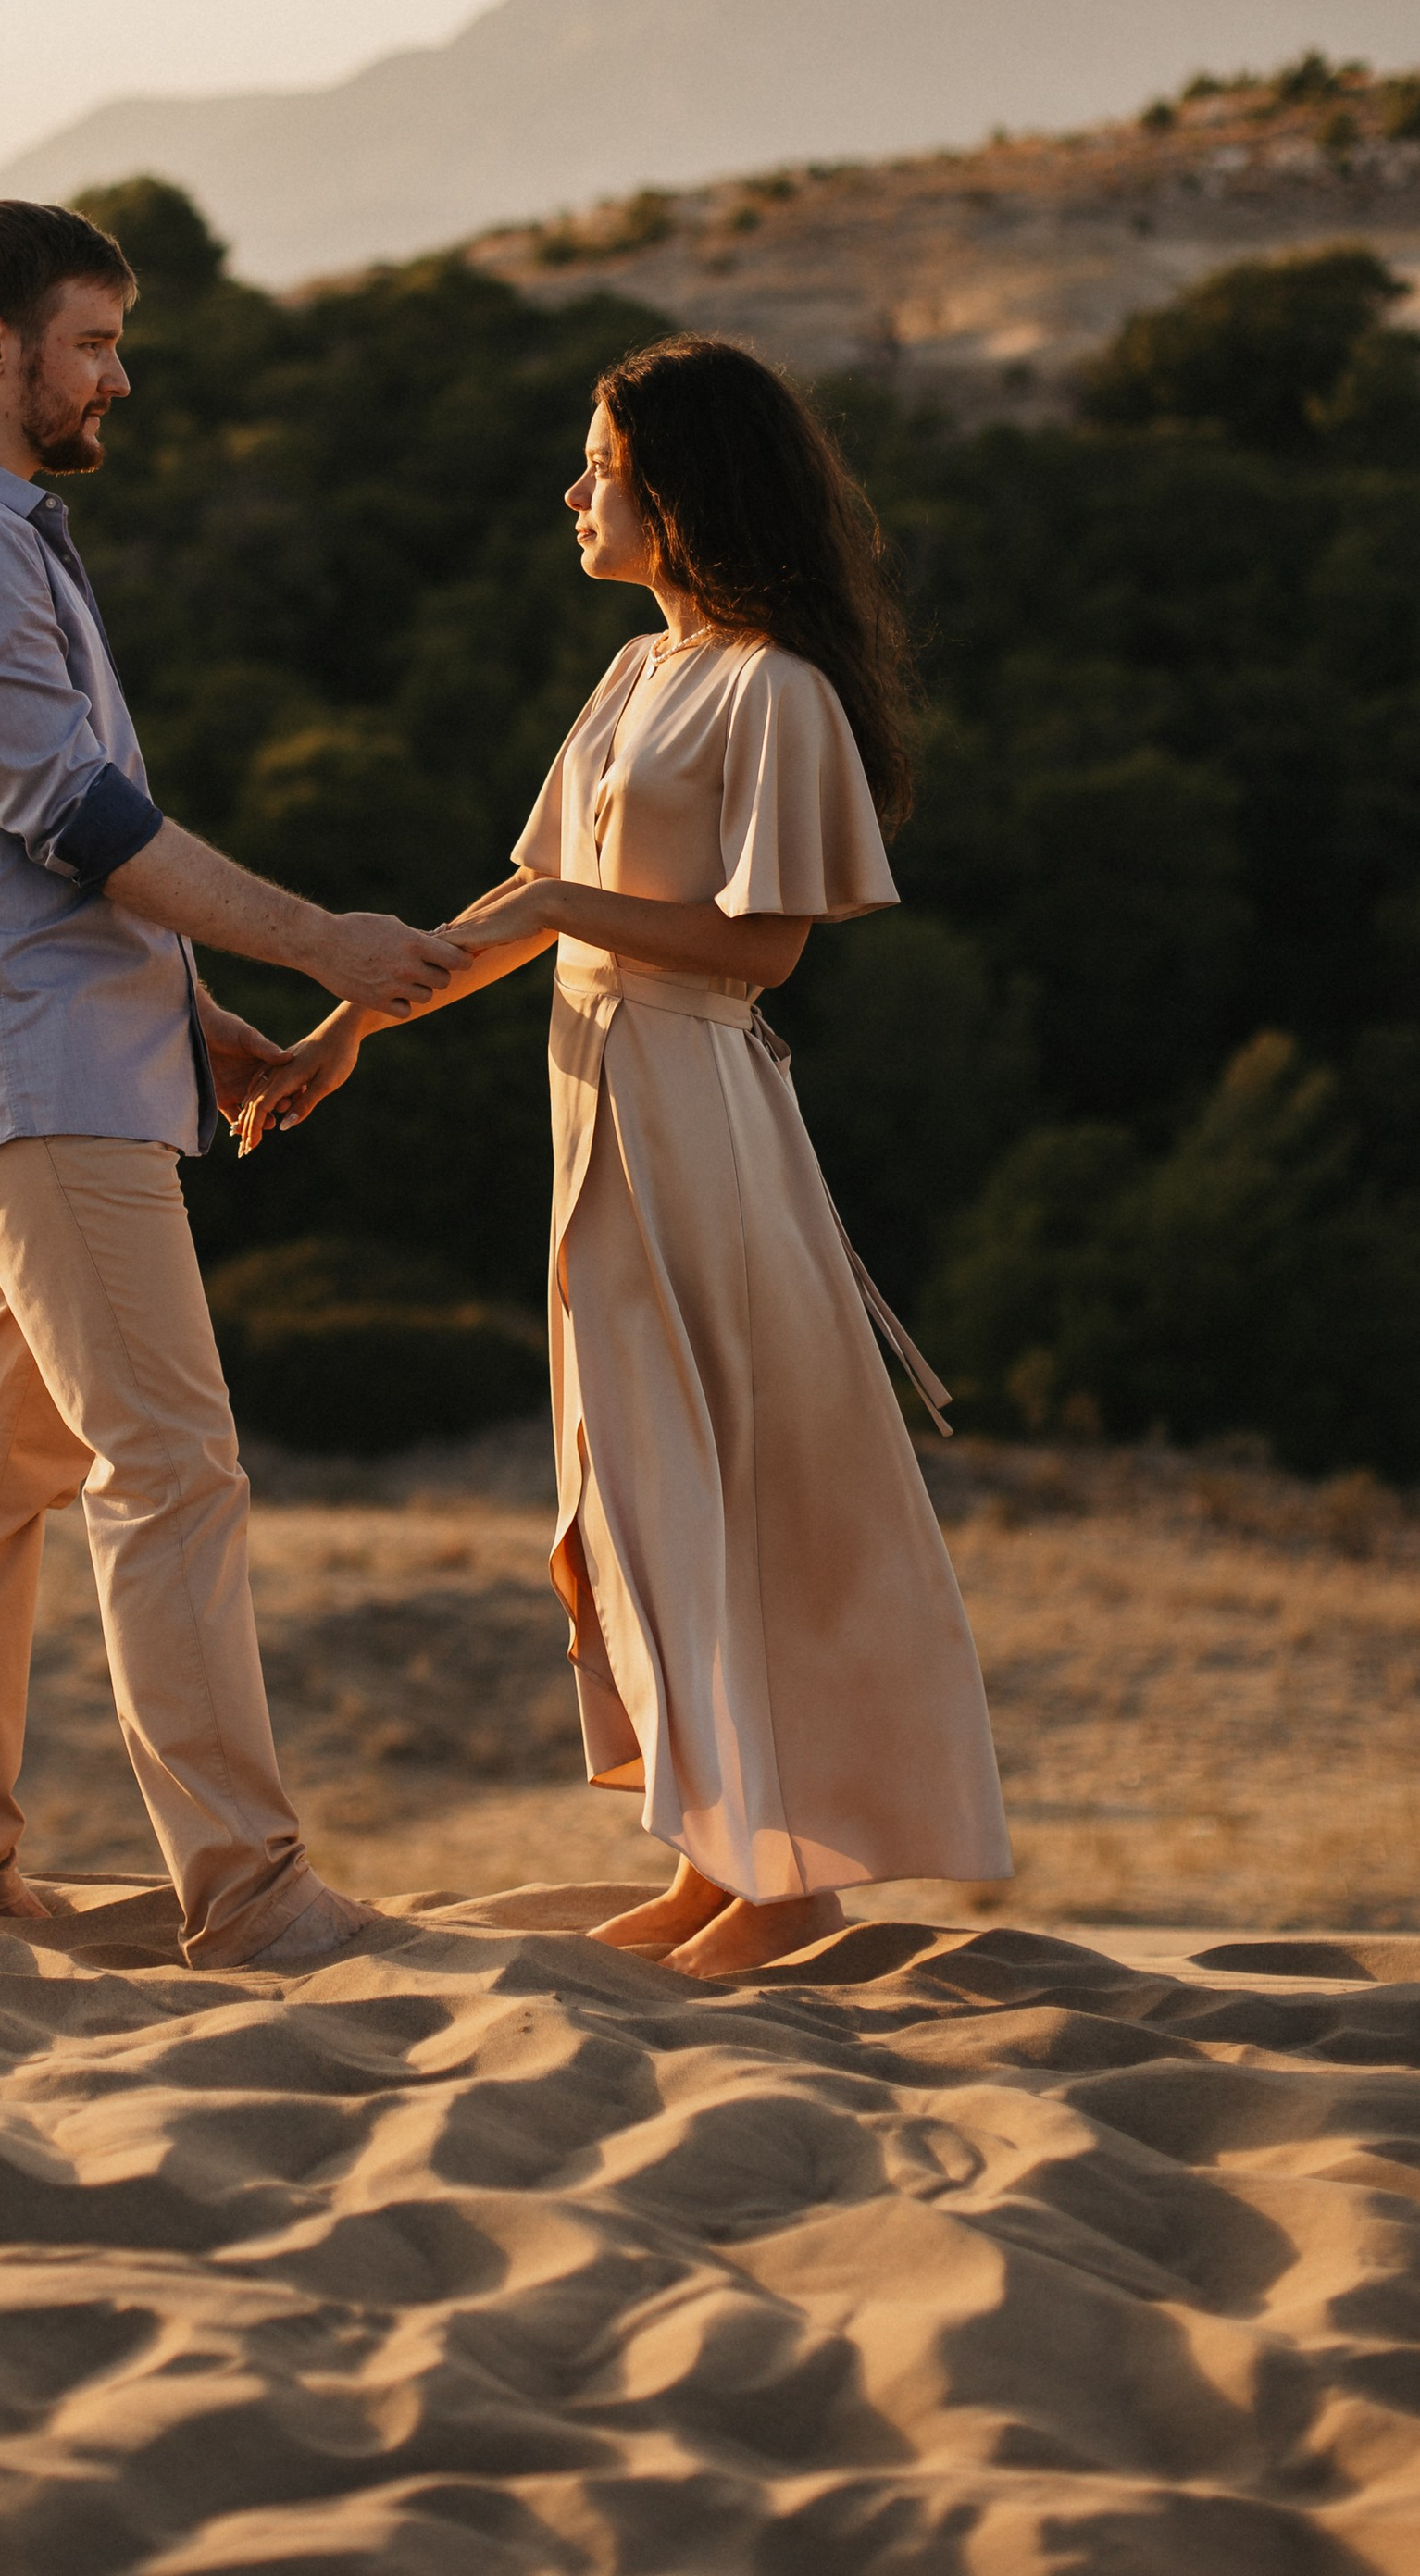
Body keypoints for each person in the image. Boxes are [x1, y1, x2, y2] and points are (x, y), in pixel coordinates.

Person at [239, 334, 1011, 1976]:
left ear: (680, 489)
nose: (574, 489)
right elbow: (514, 914)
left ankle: (792, 1877)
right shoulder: (631, 674)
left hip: (701, 1111)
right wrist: (350, 1033)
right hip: (596, 1097)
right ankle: (722, 1852)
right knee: (631, 1496)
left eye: (600, 463)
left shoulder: (773, 687)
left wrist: (564, 910)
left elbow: (767, 945)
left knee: (716, 1473)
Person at [0, 196, 468, 1972]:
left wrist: (200, 1026)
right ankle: (247, 1889)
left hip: (72, 1053)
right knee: (172, 1464)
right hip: (39, 1067)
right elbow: (75, 824)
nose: (120, 377)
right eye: (95, 342)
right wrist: (316, 945)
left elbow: (36, 841)